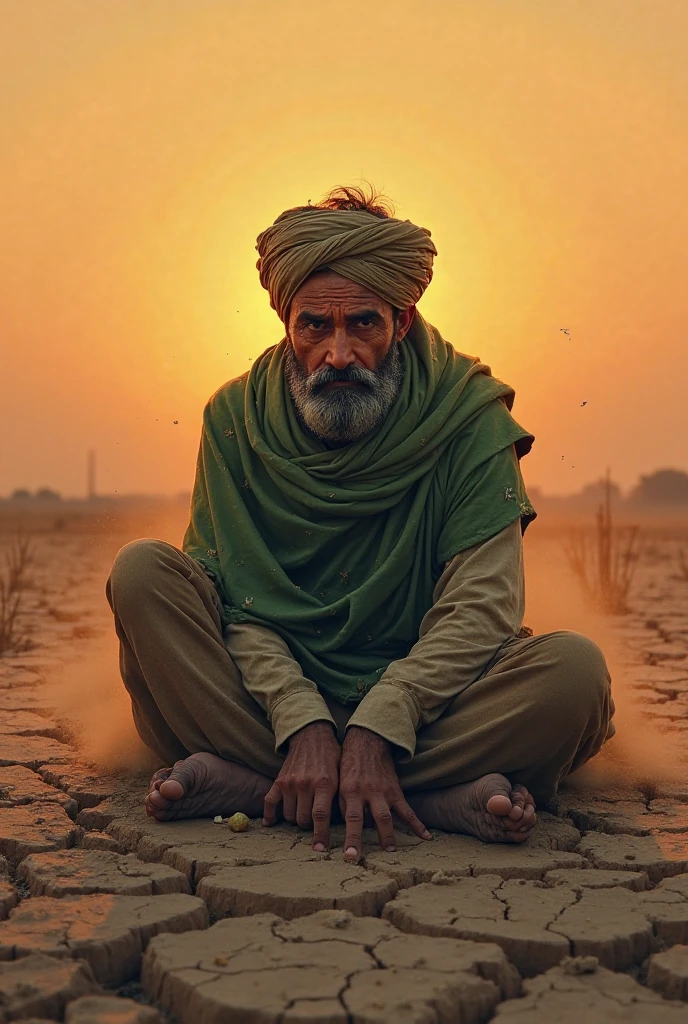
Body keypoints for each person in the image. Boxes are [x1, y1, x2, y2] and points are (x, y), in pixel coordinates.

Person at [107, 186, 613, 864]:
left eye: (363, 325)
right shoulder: (234, 420)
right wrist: (302, 720)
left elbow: (482, 608)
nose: (338, 354)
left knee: (574, 674)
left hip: (430, 707)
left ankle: (265, 786)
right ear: (286, 322)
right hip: (264, 702)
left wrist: (383, 718)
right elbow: (233, 607)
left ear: (402, 322)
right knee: (143, 572)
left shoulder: (468, 420)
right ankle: (428, 797)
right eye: (315, 326)